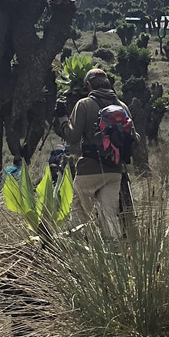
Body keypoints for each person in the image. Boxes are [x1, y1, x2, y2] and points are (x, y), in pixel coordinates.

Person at [55, 68, 133, 238]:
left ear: (89, 85)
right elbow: (134, 137)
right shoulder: (122, 106)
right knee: (109, 216)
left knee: (80, 213)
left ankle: (77, 251)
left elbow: (73, 137)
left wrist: (62, 118)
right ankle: (115, 252)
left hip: (89, 169)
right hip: (115, 171)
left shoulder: (84, 104)